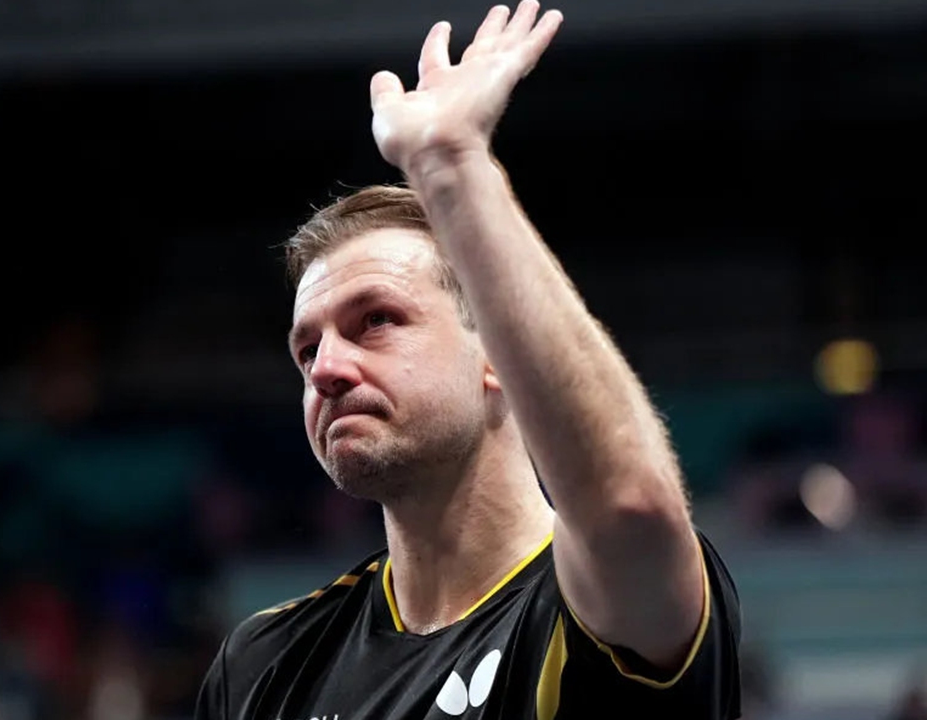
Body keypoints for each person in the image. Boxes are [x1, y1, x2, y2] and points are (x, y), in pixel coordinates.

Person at [194, 3, 742, 719]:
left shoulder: (592, 604)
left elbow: (629, 508)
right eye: (307, 348)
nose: (325, 368)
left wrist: (451, 164)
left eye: (376, 321)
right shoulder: (263, 662)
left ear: (499, 358)